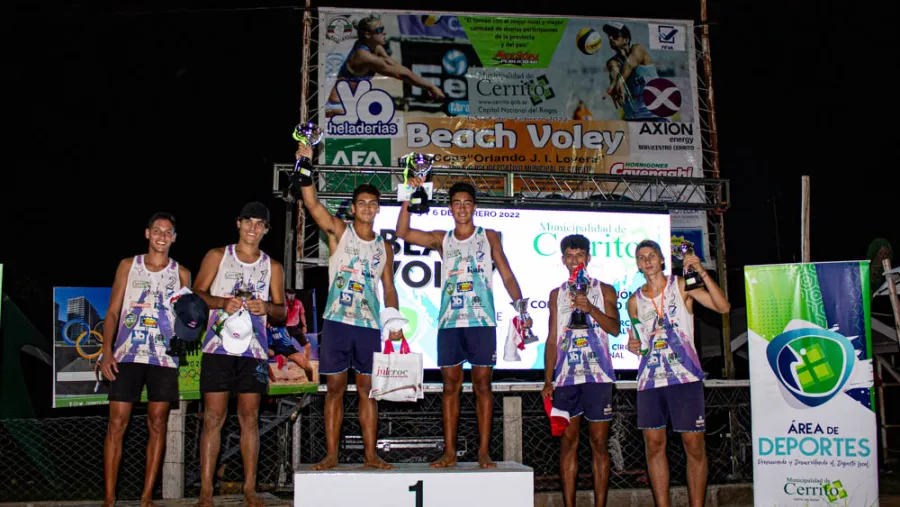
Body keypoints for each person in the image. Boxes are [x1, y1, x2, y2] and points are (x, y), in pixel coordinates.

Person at [396, 180, 531, 468]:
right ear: (450, 208)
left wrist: (522, 309)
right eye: (456, 203)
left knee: (483, 386)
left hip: (482, 321)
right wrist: (409, 195)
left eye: (467, 203)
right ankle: (449, 453)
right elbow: (402, 233)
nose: (462, 208)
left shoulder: (489, 236)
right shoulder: (441, 239)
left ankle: (483, 452)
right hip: (449, 323)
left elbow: (506, 274)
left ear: (474, 207)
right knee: (450, 387)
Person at [298, 174, 403, 470]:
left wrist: (394, 320)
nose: (367, 207)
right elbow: (312, 203)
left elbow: (389, 287)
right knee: (335, 388)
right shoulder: (340, 232)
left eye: (372, 203)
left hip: (368, 325)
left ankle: (370, 455)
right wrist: (305, 169)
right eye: (362, 203)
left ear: (378, 209)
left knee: (369, 390)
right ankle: (332, 455)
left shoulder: (384, 247)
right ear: (353, 208)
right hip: (337, 321)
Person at [192, 201, 286, 507]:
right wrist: (222, 303)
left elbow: (282, 311)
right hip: (217, 347)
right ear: (238, 223)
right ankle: (206, 492)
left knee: (249, 417)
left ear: (266, 230)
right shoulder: (218, 255)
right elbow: (196, 295)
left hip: (254, 351)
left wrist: (267, 307)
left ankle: (249, 489)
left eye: (260, 224)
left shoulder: (273, 266)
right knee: (213, 417)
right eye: (248, 222)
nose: (253, 228)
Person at [625, 239, 730, 507]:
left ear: (662, 260)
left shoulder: (681, 285)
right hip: (650, 380)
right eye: (641, 257)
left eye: (651, 255)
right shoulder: (634, 301)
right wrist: (632, 345)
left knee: (693, 445)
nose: (647, 260)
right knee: (654, 446)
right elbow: (636, 339)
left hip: (684, 377)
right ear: (637, 264)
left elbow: (723, 307)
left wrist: (701, 271)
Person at [99, 212, 191, 507]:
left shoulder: (182, 273)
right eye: (157, 230)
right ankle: (109, 499)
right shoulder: (129, 265)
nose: (162, 236)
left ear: (174, 237)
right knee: (117, 423)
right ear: (147, 233)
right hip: (127, 354)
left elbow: (187, 319)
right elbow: (113, 311)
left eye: (168, 232)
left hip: (163, 358)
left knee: (158, 423)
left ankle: (147, 497)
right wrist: (107, 350)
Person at [541, 234, 620, 507]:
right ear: (563, 259)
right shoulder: (556, 294)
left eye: (580, 255)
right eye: (570, 256)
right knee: (567, 443)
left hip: (598, 377)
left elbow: (614, 328)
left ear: (588, 258)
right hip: (565, 378)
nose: (575, 260)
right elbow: (552, 339)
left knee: (599, 443)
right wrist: (548, 380)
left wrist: (591, 308)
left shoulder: (605, 289)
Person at [325, 15, 445, 117]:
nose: (384, 32)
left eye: (383, 28)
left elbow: (396, 66)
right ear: (367, 34)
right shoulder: (364, 56)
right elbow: (400, 74)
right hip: (338, 105)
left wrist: (429, 86)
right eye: (379, 30)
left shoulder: (373, 46)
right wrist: (430, 86)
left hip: (348, 102)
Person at [602, 22, 664, 122]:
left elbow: (630, 64)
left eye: (615, 35)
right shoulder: (612, 61)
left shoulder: (638, 49)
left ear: (626, 40)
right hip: (633, 117)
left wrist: (619, 81)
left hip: (654, 115)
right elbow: (614, 70)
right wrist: (614, 82)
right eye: (609, 35)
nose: (610, 38)